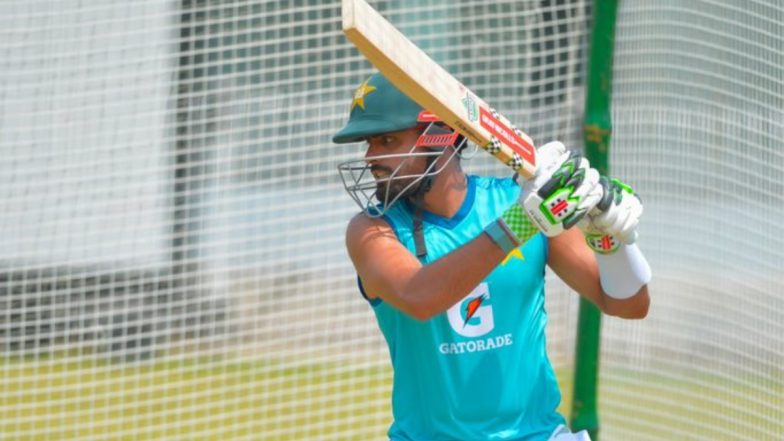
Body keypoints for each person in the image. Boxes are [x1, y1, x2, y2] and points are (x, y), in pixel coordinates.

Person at [333, 72, 651, 441]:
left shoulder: (517, 203)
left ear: (442, 137)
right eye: (369, 143)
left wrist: (611, 241)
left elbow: (628, 305)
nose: (372, 157)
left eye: (388, 140)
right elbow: (418, 296)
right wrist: (520, 224)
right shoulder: (372, 230)